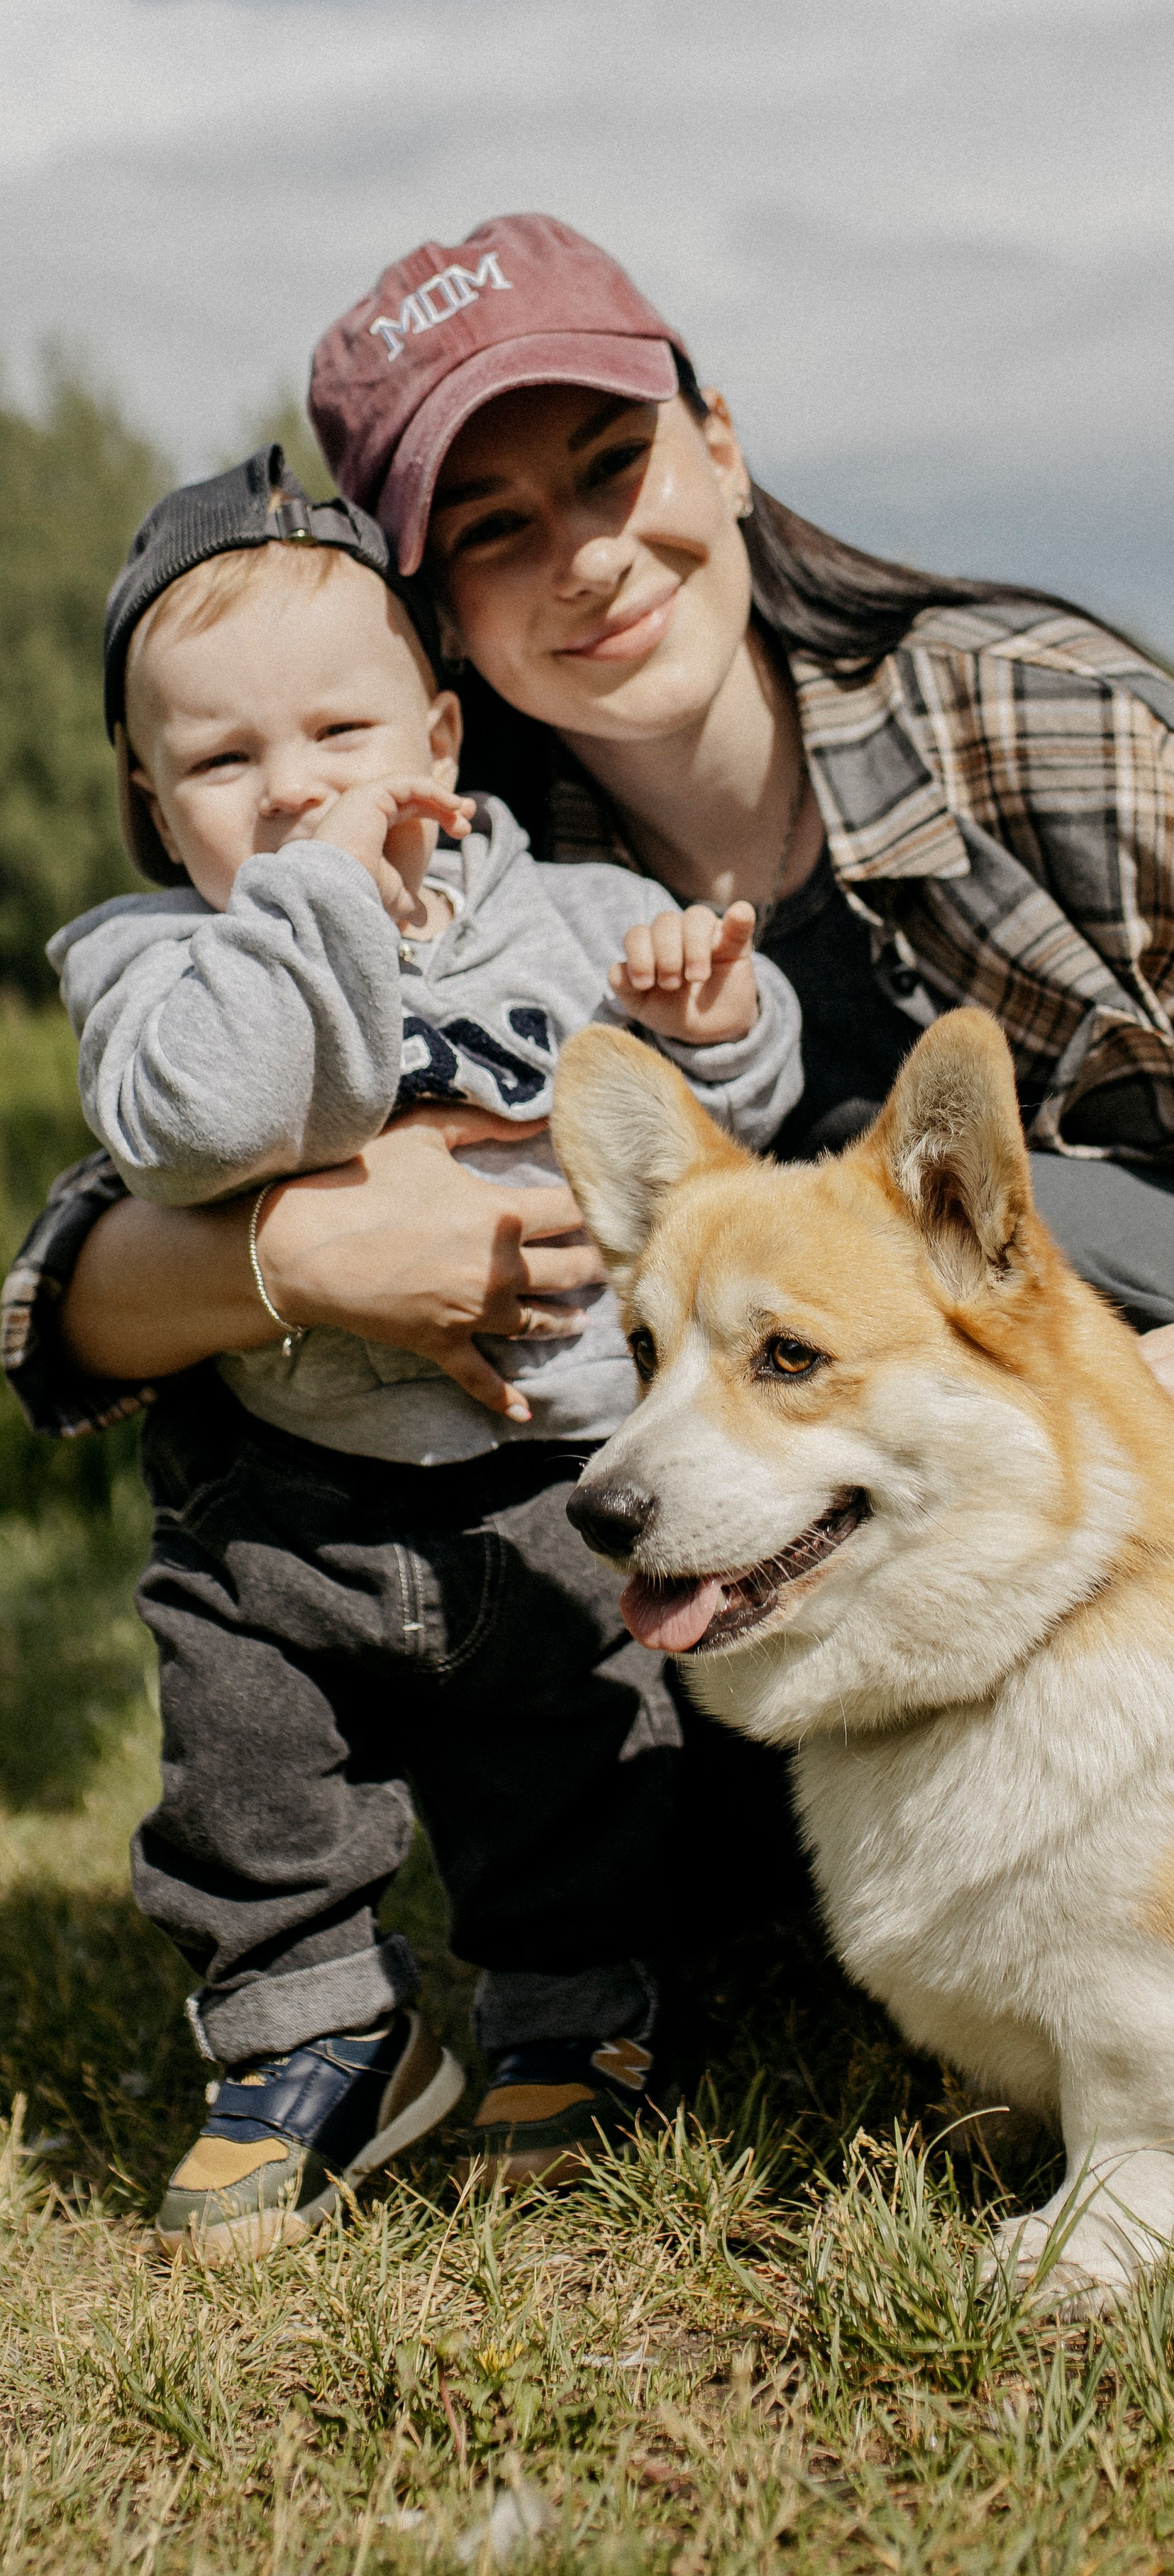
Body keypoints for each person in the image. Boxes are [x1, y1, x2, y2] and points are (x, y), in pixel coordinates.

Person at [4, 210, 1174, 2197]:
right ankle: (660, 1918)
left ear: (720, 438)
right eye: (498, 532)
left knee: (1039, 1241)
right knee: (282, 1282)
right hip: (820, 1530)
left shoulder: (1048, 727)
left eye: (614, 470)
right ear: (435, 627)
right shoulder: (459, 866)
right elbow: (78, 1283)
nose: (591, 557)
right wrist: (300, 1253)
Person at [46, 443, 802, 2258]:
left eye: (338, 739)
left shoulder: (562, 914)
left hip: (556, 1471)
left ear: (441, 750)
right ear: (154, 806)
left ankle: (570, 2023)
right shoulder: (152, 961)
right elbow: (203, 1129)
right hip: (278, 1501)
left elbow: (723, 1121)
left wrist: (720, 1018)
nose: (292, 792)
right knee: (252, 1782)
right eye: (224, 766)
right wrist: (318, 902)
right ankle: (314, 2039)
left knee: (577, 1765)